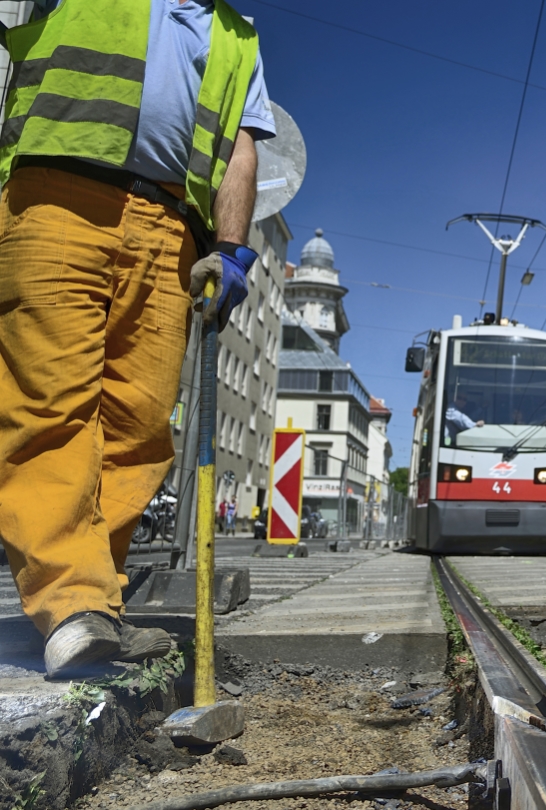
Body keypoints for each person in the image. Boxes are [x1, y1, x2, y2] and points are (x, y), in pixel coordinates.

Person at [0, 0, 275, 678]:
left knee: (142, 420)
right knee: (49, 403)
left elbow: (241, 145)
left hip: (169, 225)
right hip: (56, 192)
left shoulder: (237, 36)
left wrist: (232, 249)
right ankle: (70, 601)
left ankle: (97, 598)